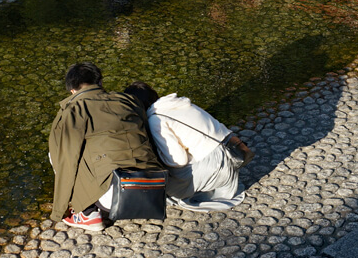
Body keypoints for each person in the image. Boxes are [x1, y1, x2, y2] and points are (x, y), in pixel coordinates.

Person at [48, 63, 161, 231]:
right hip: (155, 187)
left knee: (58, 152)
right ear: (100, 82)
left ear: (72, 90)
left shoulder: (73, 111)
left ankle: (88, 214)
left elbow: (66, 162)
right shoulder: (128, 100)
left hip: (116, 198)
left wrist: (59, 211)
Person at [124, 82, 248, 212]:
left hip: (217, 166)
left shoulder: (156, 120)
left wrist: (159, 156)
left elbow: (178, 160)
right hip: (234, 154)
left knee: (167, 189)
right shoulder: (180, 104)